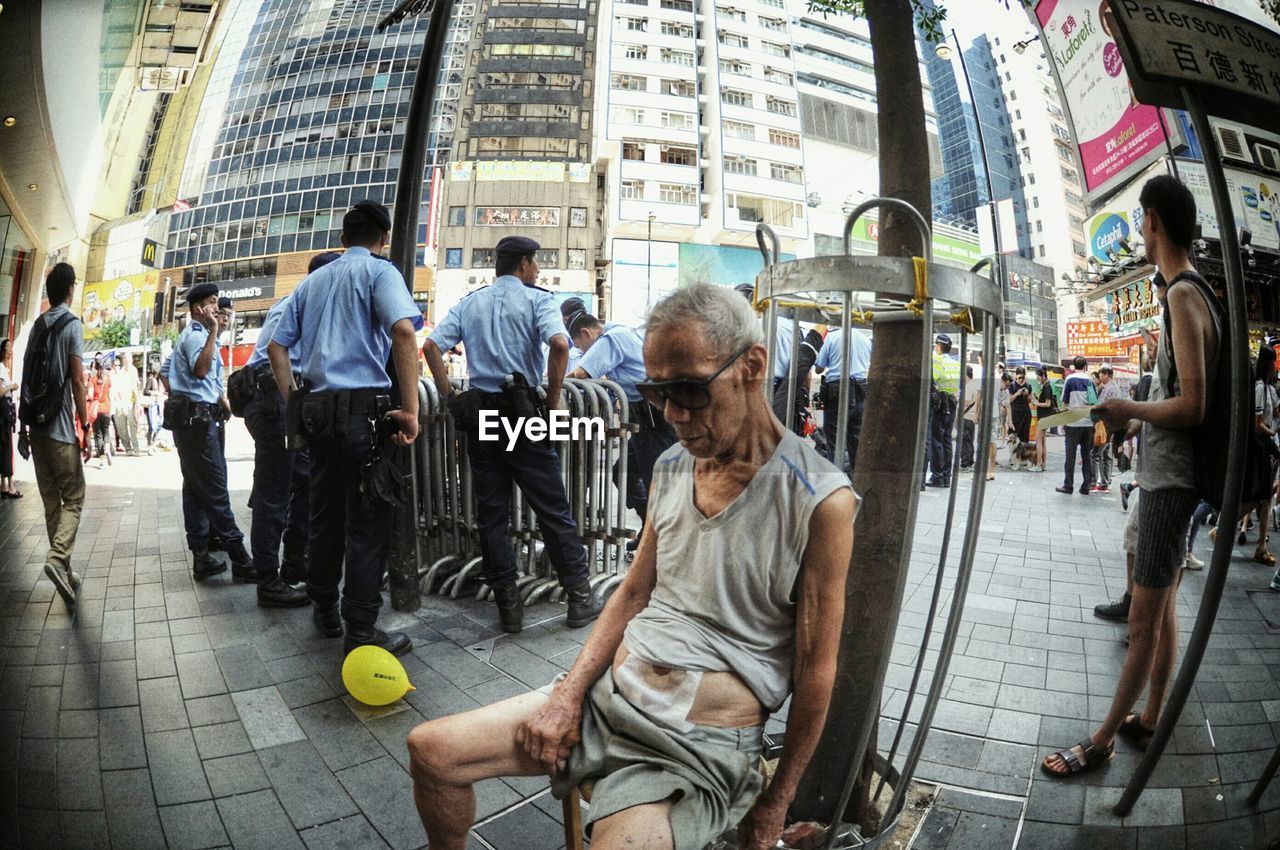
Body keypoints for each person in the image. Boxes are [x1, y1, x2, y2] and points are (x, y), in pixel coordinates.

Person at [406, 282, 857, 850]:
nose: (672, 414)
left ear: (752, 366)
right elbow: (633, 592)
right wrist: (570, 693)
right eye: (656, 391)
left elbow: (818, 668)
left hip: (692, 747)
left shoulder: (819, 498)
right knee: (433, 751)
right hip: (608, 701)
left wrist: (776, 801)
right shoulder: (672, 466)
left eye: (689, 390)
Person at [1044, 174, 1217, 777]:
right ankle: (1148, 717)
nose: (1140, 231)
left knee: (1144, 620)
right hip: (1166, 475)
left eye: (1141, 221)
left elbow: (1192, 406)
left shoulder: (1183, 296)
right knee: (1162, 611)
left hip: (1172, 483)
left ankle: (1099, 743)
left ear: (1151, 222)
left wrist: (1131, 410)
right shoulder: (1189, 293)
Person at [422, 235, 603, 635]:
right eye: (535, 263)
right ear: (523, 265)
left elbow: (431, 347)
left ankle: (509, 607)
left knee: (492, 514)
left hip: (482, 413)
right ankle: (579, 596)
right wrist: (554, 401)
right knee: (552, 506)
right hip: (523, 413)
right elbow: (559, 343)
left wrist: (451, 396)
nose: (536, 270)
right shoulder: (538, 300)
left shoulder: (471, 303)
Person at [269, 200, 421, 656]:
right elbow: (404, 333)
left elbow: (278, 348)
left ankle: (324, 609)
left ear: (341, 238)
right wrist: (411, 410)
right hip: (361, 414)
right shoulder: (379, 272)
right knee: (368, 520)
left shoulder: (313, 281)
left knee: (324, 514)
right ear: (383, 239)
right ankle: (361, 627)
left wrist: (295, 399)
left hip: (317, 413)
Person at [242, 256, 340, 608]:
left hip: (273, 398)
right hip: (275, 399)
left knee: (307, 482)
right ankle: (269, 580)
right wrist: (293, 405)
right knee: (274, 494)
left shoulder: (299, 301)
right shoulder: (301, 302)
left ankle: (295, 563)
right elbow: (276, 351)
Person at [567, 311, 677, 553]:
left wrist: (554, 385)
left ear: (586, 333)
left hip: (654, 421)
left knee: (657, 483)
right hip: (646, 420)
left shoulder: (611, 339)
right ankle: (650, 530)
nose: (582, 352)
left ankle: (664, 542)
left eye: (580, 346)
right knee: (623, 473)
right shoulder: (623, 331)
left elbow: (581, 373)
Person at [170, 282, 253, 582]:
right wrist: (214, 332)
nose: (217, 309)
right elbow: (201, 371)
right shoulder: (197, 336)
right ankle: (241, 558)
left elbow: (169, 370)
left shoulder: (197, 336)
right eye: (212, 303)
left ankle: (201, 556)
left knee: (195, 490)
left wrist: (184, 396)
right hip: (196, 425)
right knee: (216, 488)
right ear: (197, 309)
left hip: (196, 421)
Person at [22, 263, 89, 606]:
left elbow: (26, 375)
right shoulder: (72, 324)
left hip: (36, 429)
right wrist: (87, 425)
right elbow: (77, 380)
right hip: (61, 430)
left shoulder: (37, 325)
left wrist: (22, 428)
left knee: (53, 505)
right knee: (74, 498)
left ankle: (64, 569)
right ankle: (57, 559)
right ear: (70, 290)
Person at [813, 324, 872, 472]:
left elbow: (819, 367)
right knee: (856, 437)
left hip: (836, 390)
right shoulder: (865, 339)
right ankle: (857, 478)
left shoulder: (832, 337)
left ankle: (836, 478)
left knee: (833, 437)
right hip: (860, 389)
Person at [1243, 345, 1279, 566]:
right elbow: (1257, 424)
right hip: (1261, 445)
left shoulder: (1270, 389)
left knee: (1263, 498)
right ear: (1267, 363)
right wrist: (1272, 432)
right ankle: (1225, 528)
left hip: (1268, 446)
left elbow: (1275, 412)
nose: (1276, 366)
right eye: (1274, 361)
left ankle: (1261, 546)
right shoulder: (1258, 388)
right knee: (1260, 497)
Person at [1056, 356, 1097, 496]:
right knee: (1086, 456)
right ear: (1085, 366)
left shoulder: (1070, 379)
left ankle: (1068, 485)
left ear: (1073, 366)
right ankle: (1086, 486)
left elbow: (1065, 402)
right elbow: (1094, 403)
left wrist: (1063, 420)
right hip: (1088, 423)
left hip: (1073, 423)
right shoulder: (1091, 381)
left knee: (1070, 456)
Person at [926, 333, 960, 487]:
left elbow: (934, 378)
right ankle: (947, 476)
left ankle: (937, 476)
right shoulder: (955, 362)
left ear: (939, 346)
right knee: (947, 439)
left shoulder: (937, 360)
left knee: (936, 440)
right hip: (952, 403)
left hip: (940, 404)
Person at [1092, 365, 1123, 493]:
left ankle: (1093, 482)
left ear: (1105, 374)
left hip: (1104, 425)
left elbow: (1099, 406)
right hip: (1113, 424)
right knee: (1107, 454)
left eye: (1100, 374)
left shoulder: (1106, 388)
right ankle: (1105, 483)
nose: (1100, 377)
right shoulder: (1117, 388)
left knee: (1095, 454)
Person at [0, 338, 20, 498]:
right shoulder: (0, 368)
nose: (10, 350)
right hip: (3, 412)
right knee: (6, 446)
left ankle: (5, 484)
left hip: (6, 411)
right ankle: (8, 484)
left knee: (5, 446)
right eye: (7, 347)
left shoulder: (4, 368)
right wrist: (11, 387)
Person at [110, 354, 141, 455]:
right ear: (124, 361)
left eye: (129, 360)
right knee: (121, 427)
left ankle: (136, 448)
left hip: (132, 402)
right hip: (120, 403)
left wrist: (137, 403)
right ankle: (128, 448)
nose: (128, 362)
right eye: (126, 361)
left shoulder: (134, 370)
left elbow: (137, 387)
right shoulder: (120, 372)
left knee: (133, 425)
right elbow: (116, 388)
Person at [1007, 366, 1034, 470]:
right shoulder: (1012, 385)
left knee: (1025, 436)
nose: (1021, 380)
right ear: (1016, 376)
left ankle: (1023, 458)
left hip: (1025, 413)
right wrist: (1017, 394)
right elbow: (1008, 400)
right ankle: (1012, 457)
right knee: (1012, 435)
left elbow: (1030, 401)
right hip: (1014, 412)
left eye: (1023, 377)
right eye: (1019, 377)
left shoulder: (1028, 385)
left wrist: (1027, 395)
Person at [1034, 367, 1055, 472]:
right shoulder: (1046, 386)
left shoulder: (1047, 387)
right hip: (1045, 417)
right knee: (1042, 441)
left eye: (1038, 377)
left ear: (1043, 376)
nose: (1038, 380)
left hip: (1044, 417)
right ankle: (1043, 464)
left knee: (1038, 440)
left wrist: (1036, 403)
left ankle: (1038, 465)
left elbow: (1048, 404)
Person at [142, 361, 165, 450]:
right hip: (151, 406)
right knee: (152, 426)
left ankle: (154, 443)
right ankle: (149, 445)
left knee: (159, 424)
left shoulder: (159, 380)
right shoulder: (151, 379)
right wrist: (154, 392)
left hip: (158, 404)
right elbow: (145, 391)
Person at [959, 366, 978, 469]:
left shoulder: (968, 387)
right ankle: (970, 461)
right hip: (972, 417)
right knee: (970, 440)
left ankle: (965, 463)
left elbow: (965, 402)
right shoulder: (974, 385)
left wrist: (957, 398)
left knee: (965, 441)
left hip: (966, 416)